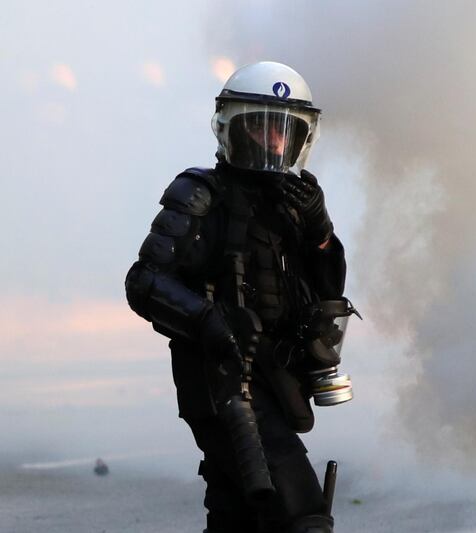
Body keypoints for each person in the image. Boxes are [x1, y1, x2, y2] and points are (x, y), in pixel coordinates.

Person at [125, 61, 350, 533]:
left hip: (275, 378)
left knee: (238, 519)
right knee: (302, 513)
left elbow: (329, 294)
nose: (272, 142)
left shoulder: (294, 203)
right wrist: (210, 322)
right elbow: (145, 281)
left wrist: (321, 233)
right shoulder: (201, 194)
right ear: (234, 129)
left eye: (283, 130)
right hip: (221, 381)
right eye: (261, 127)